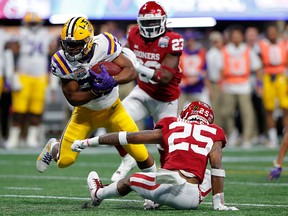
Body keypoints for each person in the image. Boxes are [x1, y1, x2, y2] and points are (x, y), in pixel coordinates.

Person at [36, 17, 156, 176]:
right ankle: (54, 147)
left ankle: (153, 188)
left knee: (141, 154)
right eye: (67, 44)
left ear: (88, 41)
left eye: (75, 44)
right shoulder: (61, 61)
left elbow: (130, 70)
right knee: (64, 161)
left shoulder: (105, 45)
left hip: (114, 110)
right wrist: (95, 91)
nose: (70, 49)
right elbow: (72, 97)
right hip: (84, 115)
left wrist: (113, 81)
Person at [71, 101, 238, 211]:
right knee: (208, 173)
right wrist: (219, 204)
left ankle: (98, 194)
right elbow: (216, 166)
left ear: (185, 115)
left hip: (165, 188)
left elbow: (128, 137)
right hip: (191, 199)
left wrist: (89, 142)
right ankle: (163, 191)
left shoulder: (171, 124)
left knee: (131, 180)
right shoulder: (215, 132)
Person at [110, 1, 184, 182]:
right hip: (143, 92)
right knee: (114, 119)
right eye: (147, 22)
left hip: (166, 100)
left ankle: (162, 181)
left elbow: (165, 77)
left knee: (166, 143)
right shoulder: (134, 34)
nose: (150, 27)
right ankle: (128, 158)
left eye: (154, 22)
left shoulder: (173, 40)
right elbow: (125, 58)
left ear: (163, 21)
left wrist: (138, 67)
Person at [5, 12, 57, 149]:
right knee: (18, 110)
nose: (33, 26)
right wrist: (12, 75)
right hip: (23, 75)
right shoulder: (20, 34)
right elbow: (11, 52)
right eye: (31, 23)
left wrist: (53, 78)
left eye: (35, 23)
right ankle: (14, 138)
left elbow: (53, 54)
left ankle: (31, 138)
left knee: (36, 110)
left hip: (40, 77)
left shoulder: (46, 34)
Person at [219, 25, 262, 149]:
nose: (236, 38)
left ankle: (247, 137)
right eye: (234, 36)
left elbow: (258, 67)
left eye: (238, 36)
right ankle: (232, 134)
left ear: (242, 37)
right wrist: (221, 84)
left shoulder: (248, 49)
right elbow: (221, 69)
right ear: (231, 38)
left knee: (247, 113)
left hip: (244, 85)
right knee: (227, 112)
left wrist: (259, 84)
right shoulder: (226, 50)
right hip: (229, 85)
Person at [258, 24, 288, 148]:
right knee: (269, 108)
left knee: (285, 107)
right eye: (269, 32)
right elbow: (259, 66)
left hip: (282, 76)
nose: (272, 35)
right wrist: (259, 83)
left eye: (273, 32)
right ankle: (273, 138)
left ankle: (286, 136)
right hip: (268, 77)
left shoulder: (284, 44)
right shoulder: (261, 45)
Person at [206, 31, 224, 127]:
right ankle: (218, 130)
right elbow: (221, 71)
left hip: (216, 83)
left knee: (219, 109)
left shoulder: (212, 53)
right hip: (217, 84)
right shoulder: (214, 53)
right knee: (217, 110)